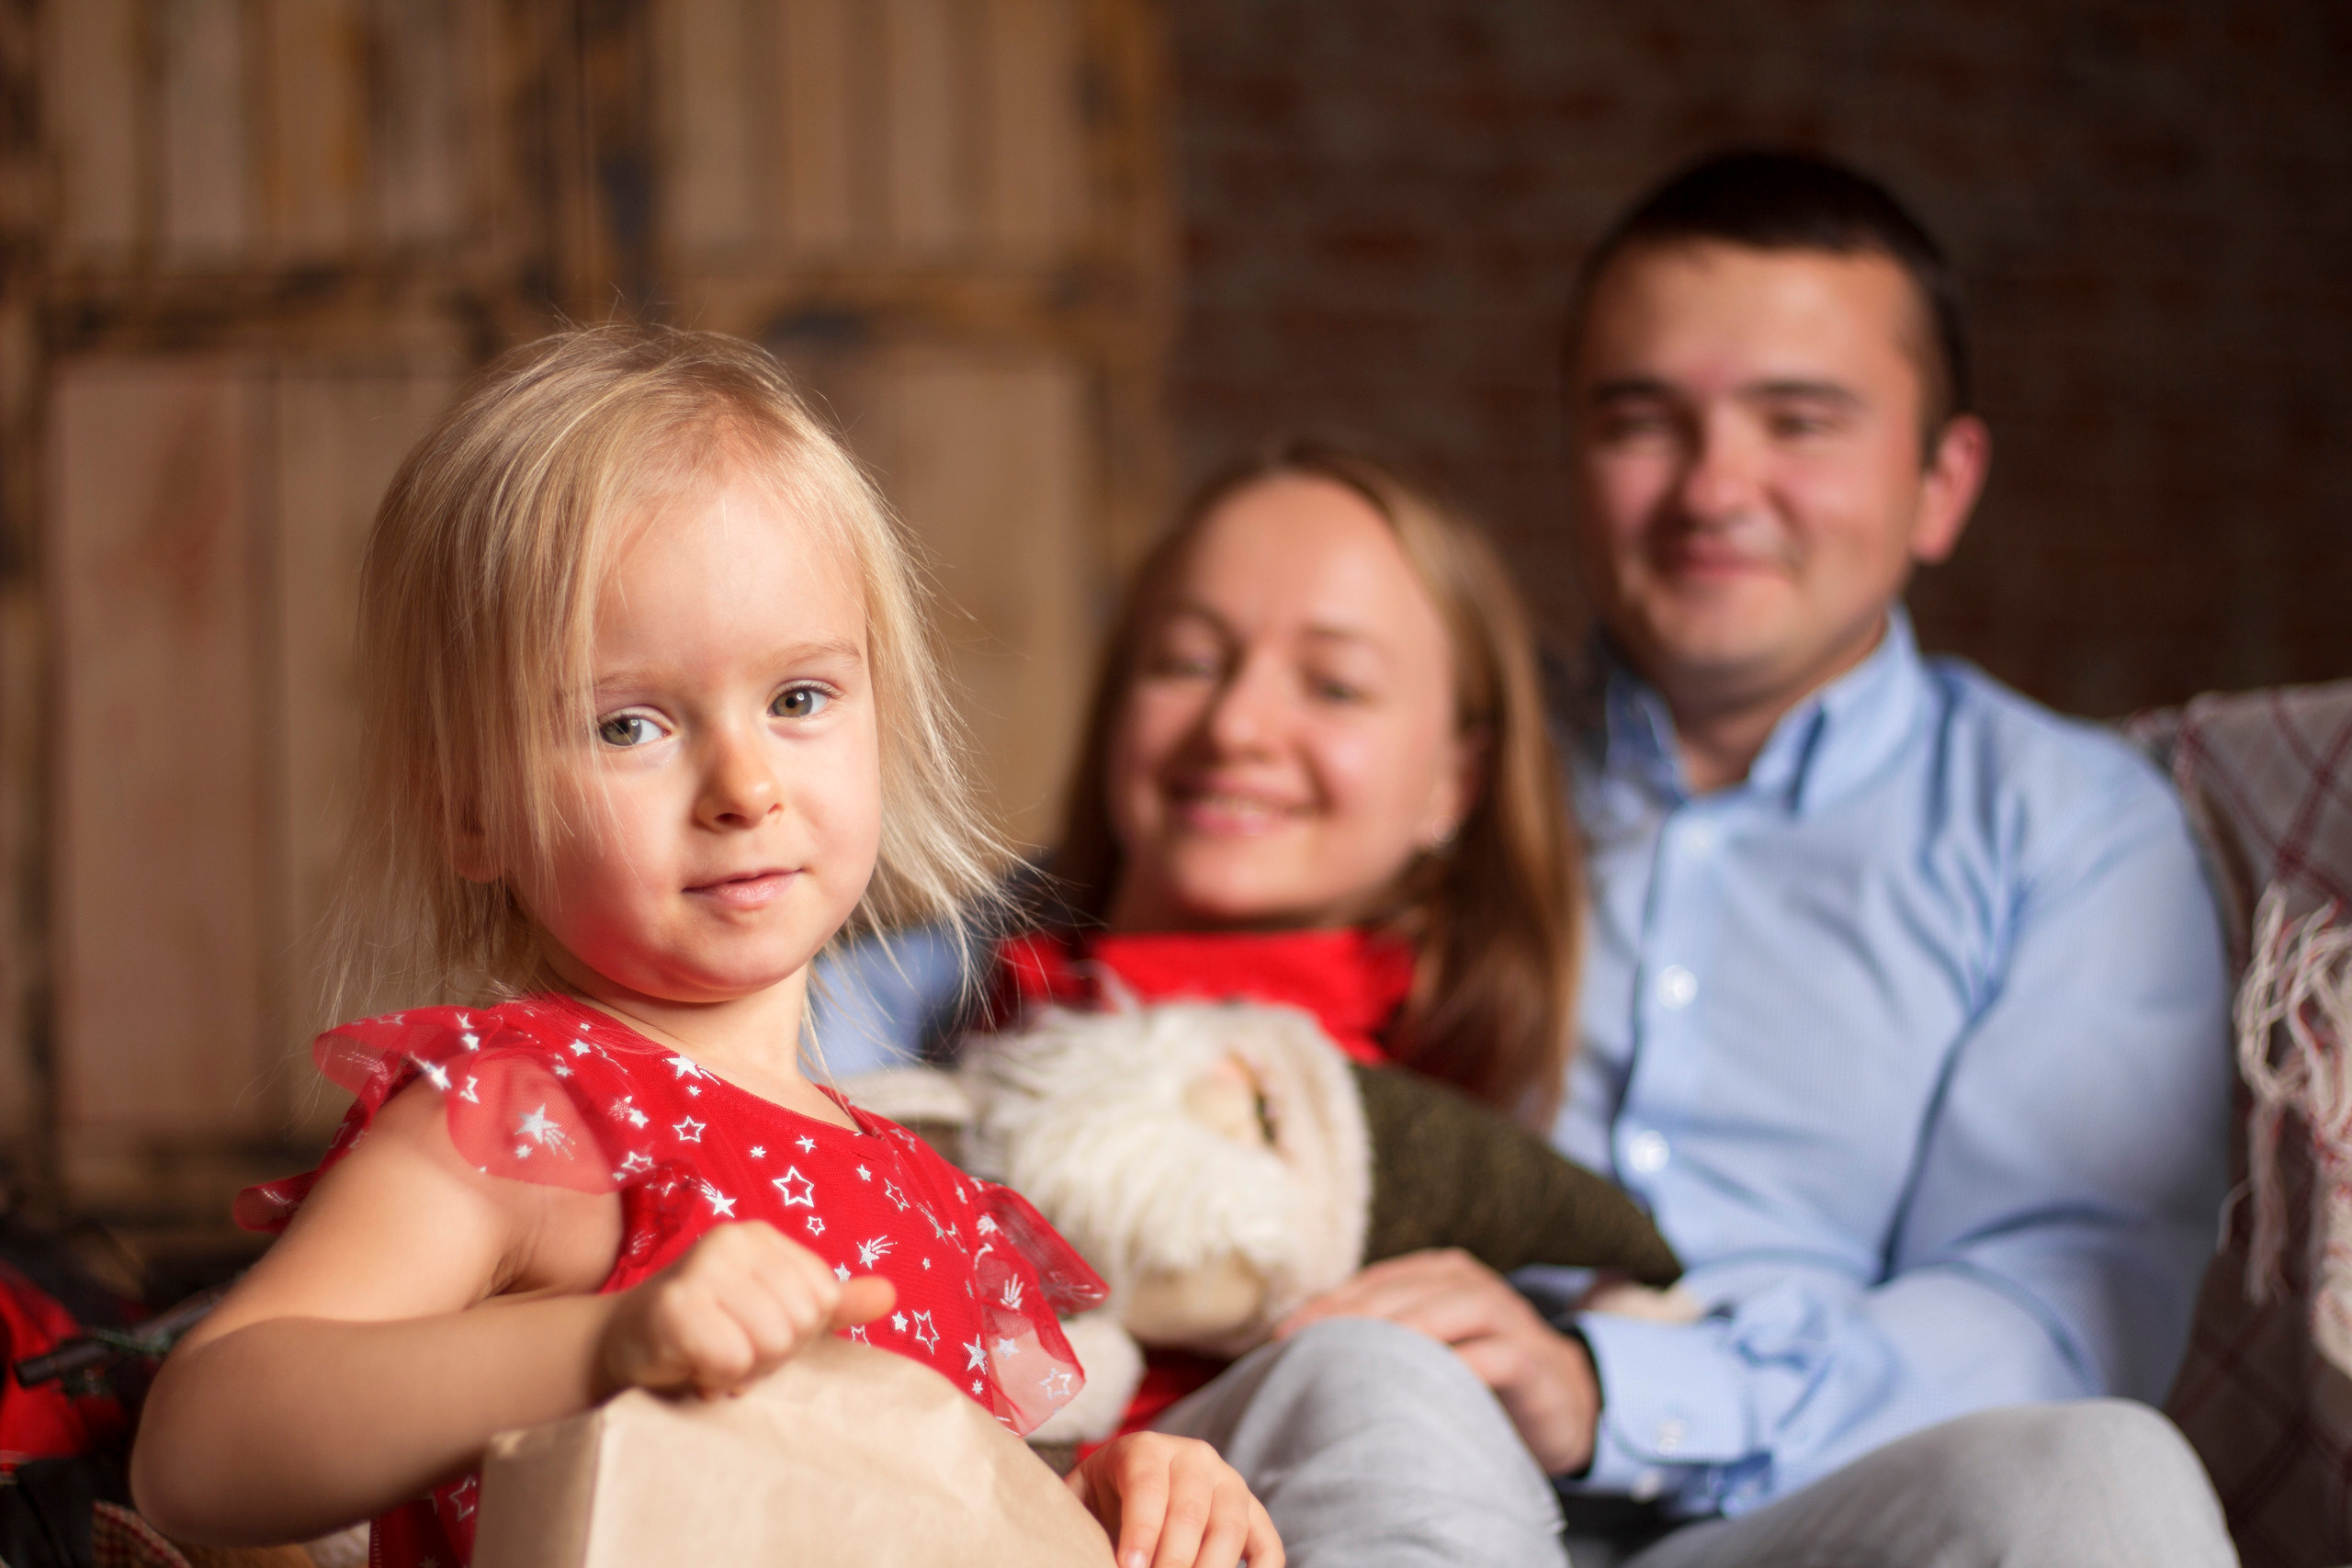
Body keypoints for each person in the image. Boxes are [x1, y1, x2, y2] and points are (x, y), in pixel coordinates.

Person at [127, 327, 1280, 1568]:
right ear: (474, 809)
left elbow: (898, 1489)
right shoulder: (533, 1112)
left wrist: (1107, 1491)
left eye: (799, 699)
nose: (744, 783)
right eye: (629, 723)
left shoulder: (915, 1182)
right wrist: (599, 1344)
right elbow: (202, 1441)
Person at [1280, 151, 2240, 1564]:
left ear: (1940, 482)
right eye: (1641, 420)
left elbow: (2054, 1310)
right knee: (1365, 1386)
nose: (1715, 487)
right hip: (1409, 1487)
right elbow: (1064, 926)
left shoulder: (2068, 824)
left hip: (1811, 1515)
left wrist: (1622, 1390)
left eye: (1800, 421)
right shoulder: (1428, 755)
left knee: (2101, 1473)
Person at [827, 441, 1586, 1567]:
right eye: (1186, 661)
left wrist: (1575, 1372)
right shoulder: (910, 1001)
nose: (1235, 728)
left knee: (1375, 1370)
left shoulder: (1468, 1092)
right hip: (968, 1493)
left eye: (1333, 685)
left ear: (1451, 785)